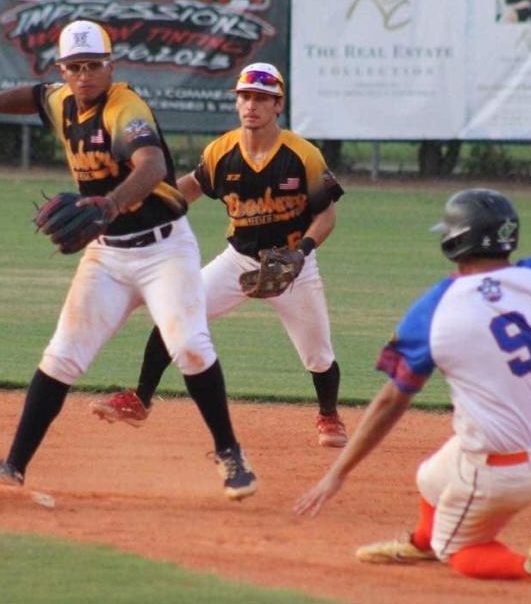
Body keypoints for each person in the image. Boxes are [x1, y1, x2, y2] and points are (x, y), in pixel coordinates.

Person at [294, 142, 531, 582]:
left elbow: (391, 403)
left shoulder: (435, 308)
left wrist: (337, 474)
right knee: (431, 477)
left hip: (500, 472)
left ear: (454, 240)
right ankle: (421, 543)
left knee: (460, 550)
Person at [0, 19, 257, 500]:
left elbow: (151, 164)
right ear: (64, 70)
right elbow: (33, 96)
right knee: (62, 356)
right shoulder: (62, 101)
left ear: (111, 65)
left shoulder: (124, 108)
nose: (85, 75)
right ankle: (12, 467)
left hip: (164, 251)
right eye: (75, 67)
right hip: (107, 256)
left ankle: (229, 451)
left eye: (94, 65)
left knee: (191, 346)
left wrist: (110, 204)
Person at [89, 63, 350, 447]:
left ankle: (329, 416)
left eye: (262, 98)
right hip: (239, 260)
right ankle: (140, 399)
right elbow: (192, 187)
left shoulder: (302, 155)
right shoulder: (222, 151)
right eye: (245, 96)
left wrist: (301, 254)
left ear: (278, 105)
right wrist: (143, 207)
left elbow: (326, 214)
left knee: (318, 355)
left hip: (293, 265)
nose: (251, 105)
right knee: (174, 316)